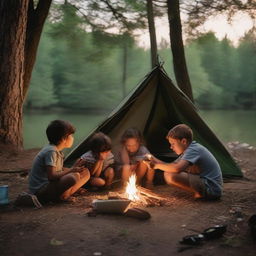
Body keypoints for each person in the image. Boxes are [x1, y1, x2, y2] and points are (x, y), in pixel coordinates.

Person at [148, 124, 223, 200]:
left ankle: (201, 194)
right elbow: (172, 165)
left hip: (211, 189)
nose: (171, 147)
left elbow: (177, 168)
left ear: (184, 141)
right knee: (169, 171)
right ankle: (200, 193)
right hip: (210, 187)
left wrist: (156, 166)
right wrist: (153, 159)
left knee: (170, 174)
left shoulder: (193, 150)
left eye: (173, 144)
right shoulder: (188, 150)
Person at [29, 120, 90, 204]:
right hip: (41, 191)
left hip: (51, 185)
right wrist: (71, 170)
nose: (72, 138)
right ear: (63, 138)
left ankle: (64, 195)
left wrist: (75, 168)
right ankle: (62, 197)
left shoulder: (56, 150)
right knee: (73, 177)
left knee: (85, 172)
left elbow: (59, 170)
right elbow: (51, 176)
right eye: (71, 135)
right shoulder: (51, 151)